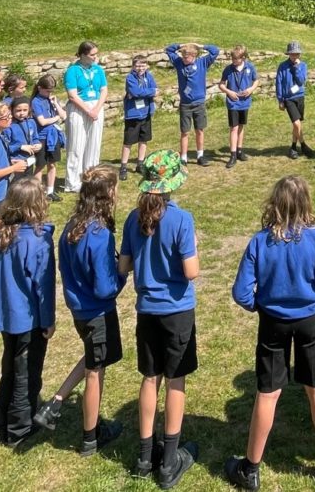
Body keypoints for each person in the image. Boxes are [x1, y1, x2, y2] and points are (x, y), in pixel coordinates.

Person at [225, 175, 315, 490]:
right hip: (311, 320)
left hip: (272, 321)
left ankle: (251, 468)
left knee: (268, 392)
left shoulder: (260, 241)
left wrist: (262, 306)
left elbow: (241, 293)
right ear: (306, 204)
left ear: (275, 204)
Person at [119, 150, 200, 488]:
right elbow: (191, 272)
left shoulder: (131, 219)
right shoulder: (182, 220)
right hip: (177, 310)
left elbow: (123, 267)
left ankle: (143, 455)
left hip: (146, 310)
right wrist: (195, 246)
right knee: (175, 380)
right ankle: (168, 460)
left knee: (150, 378)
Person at [38, 165, 128, 456]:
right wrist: (124, 273)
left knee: (92, 358)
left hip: (78, 310)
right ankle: (91, 436)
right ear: (108, 194)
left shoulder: (72, 225)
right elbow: (105, 288)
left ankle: (56, 400)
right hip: (97, 311)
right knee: (95, 372)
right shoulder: (100, 235)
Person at [0, 178, 56, 446]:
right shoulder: (37, 240)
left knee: (10, 368)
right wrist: (48, 320)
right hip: (28, 318)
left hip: (5, 315)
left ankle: (4, 417)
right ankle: (19, 430)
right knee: (26, 373)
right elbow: (43, 286)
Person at [166, 42, 220, 166]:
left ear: (194, 56)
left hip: (199, 103)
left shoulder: (202, 63)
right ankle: (183, 157)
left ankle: (200, 155)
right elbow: (169, 50)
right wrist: (181, 45)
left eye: (187, 57)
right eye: (183, 56)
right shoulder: (178, 63)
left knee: (199, 130)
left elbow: (215, 51)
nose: (184, 59)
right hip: (185, 104)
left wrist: (200, 46)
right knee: (185, 131)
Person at [64, 41, 108, 193]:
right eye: (92, 55)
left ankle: (91, 177)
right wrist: (88, 110)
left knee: (93, 144)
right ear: (83, 55)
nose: (95, 57)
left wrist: (96, 108)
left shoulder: (98, 69)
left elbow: (104, 90)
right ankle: (73, 182)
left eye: (96, 54)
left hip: (96, 106)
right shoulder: (73, 70)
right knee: (76, 145)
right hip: (79, 107)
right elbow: (72, 95)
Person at [0, 102, 29, 214]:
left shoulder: (0, 136)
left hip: (3, 190)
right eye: (6, 116)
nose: (11, 117)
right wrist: (13, 169)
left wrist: (10, 162)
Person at [218, 45, 259, 168]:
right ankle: (233, 154)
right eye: (233, 59)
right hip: (233, 103)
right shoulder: (228, 69)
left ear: (243, 58)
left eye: (236, 59)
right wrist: (229, 92)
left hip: (245, 102)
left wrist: (251, 89)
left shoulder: (250, 67)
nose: (234, 61)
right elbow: (221, 84)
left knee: (241, 126)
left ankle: (240, 150)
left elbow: (256, 81)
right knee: (233, 128)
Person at [30, 74, 67, 202]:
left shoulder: (49, 100)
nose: (49, 93)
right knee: (40, 165)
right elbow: (42, 122)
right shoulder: (35, 102)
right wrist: (56, 118)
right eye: (47, 91)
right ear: (40, 88)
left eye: (51, 91)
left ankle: (50, 191)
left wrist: (55, 103)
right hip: (41, 138)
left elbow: (64, 115)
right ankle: (37, 193)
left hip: (53, 136)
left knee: (52, 164)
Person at [275, 41, 314, 160]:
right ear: (288, 54)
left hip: (300, 96)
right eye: (292, 54)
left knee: (296, 125)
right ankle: (303, 145)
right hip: (288, 98)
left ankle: (293, 147)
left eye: (296, 54)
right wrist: (280, 100)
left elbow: (301, 81)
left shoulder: (303, 66)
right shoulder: (282, 66)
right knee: (297, 123)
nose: (294, 56)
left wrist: (296, 68)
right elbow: (279, 83)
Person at [122, 55, 157, 181]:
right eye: (137, 65)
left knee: (144, 139)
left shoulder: (149, 76)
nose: (140, 68)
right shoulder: (130, 77)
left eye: (143, 65)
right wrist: (149, 92)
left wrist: (146, 91)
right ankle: (123, 167)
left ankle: (140, 163)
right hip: (133, 114)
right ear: (133, 66)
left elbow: (155, 89)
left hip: (146, 112)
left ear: (147, 66)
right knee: (128, 141)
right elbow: (135, 92)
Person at [4, 96, 42, 178]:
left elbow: (35, 138)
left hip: (29, 159)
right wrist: (20, 147)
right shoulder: (9, 126)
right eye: (18, 110)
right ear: (12, 110)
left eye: (25, 110)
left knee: (27, 182)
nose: (22, 113)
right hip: (16, 160)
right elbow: (5, 146)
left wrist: (38, 144)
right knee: (17, 184)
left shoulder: (31, 122)